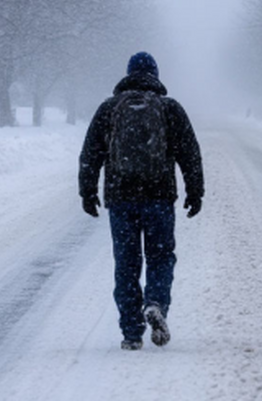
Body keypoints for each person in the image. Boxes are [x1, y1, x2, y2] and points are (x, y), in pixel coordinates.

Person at [79, 52, 204, 351]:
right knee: (160, 257)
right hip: (159, 197)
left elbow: (90, 154)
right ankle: (156, 302)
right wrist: (195, 191)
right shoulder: (170, 108)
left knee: (126, 263)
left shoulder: (109, 109)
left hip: (121, 199)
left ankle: (131, 333)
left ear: (129, 74)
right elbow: (190, 153)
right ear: (156, 76)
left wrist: (88, 192)